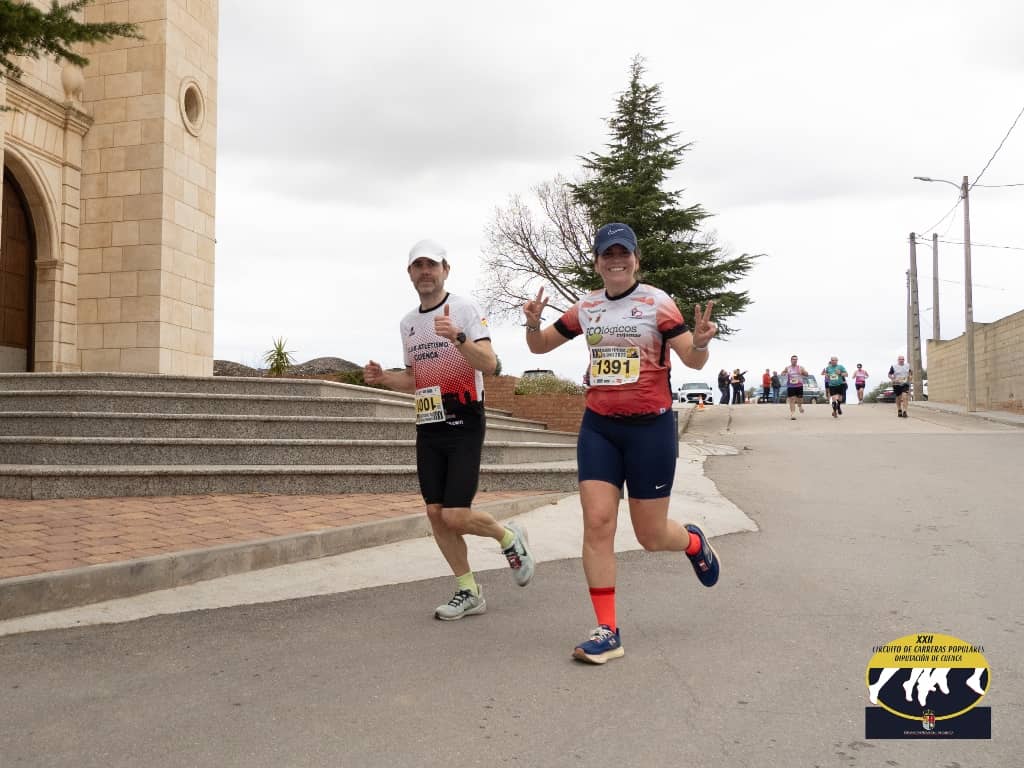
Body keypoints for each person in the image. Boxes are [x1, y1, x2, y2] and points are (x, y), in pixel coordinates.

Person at [522, 222, 720, 664]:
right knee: (597, 524)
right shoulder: (587, 307)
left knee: (651, 535)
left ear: (635, 259)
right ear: (597, 262)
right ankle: (607, 630)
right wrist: (532, 324)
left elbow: (691, 359)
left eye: (623, 253)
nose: (616, 261)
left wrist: (702, 344)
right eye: (607, 254)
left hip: (650, 430)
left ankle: (691, 542)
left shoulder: (658, 303)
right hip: (600, 429)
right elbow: (539, 347)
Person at [364, 238, 536, 621]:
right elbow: (416, 378)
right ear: (410, 273)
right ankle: (469, 590)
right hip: (429, 425)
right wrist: (384, 378)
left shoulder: (463, 309)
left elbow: (490, 364)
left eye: (432, 265)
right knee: (435, 513)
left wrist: (458, 337)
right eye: (418, 265)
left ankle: (509, 537)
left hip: (464, 420)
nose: (425, 271)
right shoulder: (408, 323)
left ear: (446, 270)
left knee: (456, 516)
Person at [782, 355, 809, 420]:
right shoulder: (787, 368)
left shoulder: (800, 367)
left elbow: (807, 374)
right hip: (790, 386)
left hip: (799, 385)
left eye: (796, 359)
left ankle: (800, 406)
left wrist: (803, 372)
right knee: (792, 399)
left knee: (800, 400)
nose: (795, 360)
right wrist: (783, 373)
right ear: (791, 360)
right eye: (793, 359)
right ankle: (792, 414)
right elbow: (783, 372)